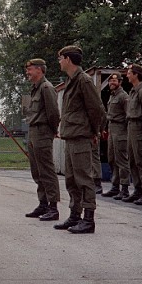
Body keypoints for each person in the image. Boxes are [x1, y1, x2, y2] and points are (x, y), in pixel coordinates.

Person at [53, 45, 105, 234]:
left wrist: (94, 132)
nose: (59, 62)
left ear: (68, 59)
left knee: (84, 178)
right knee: (71, 180)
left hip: (81, 137)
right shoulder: (72, 81)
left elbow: (97, 110)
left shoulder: (83, 81)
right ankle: (75, 215)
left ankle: (88, 219)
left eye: (60, 58)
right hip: (71, 136)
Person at [23, 58, 61, 221]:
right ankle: (43, 203)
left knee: (46, 170)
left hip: (43, 132)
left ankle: (53, 207)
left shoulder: (46, 88)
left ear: (39, 70)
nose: (27, 72)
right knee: (37, 171)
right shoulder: (35, 88)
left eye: (30, 69)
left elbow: (53, 113)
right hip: (34, 132)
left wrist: (52, 131)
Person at [122, 63, 142, 204]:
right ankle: (138, 190)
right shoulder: (133, 91)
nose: (127, 75)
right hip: (131, 127)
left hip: (140, 128)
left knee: (141, 161)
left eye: (129, 73)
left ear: (136, 74)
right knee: (132, 160)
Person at [102, 72, 130, 199]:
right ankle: (115, 186)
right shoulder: (112, 96)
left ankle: (124, 188)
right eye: (110, 81)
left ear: (120, 82)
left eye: (114, 81)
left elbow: (128, 115)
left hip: (120, 131)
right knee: (112, 159)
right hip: (112, 129)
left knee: (121, 160)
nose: (111, 83)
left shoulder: (123, 96)